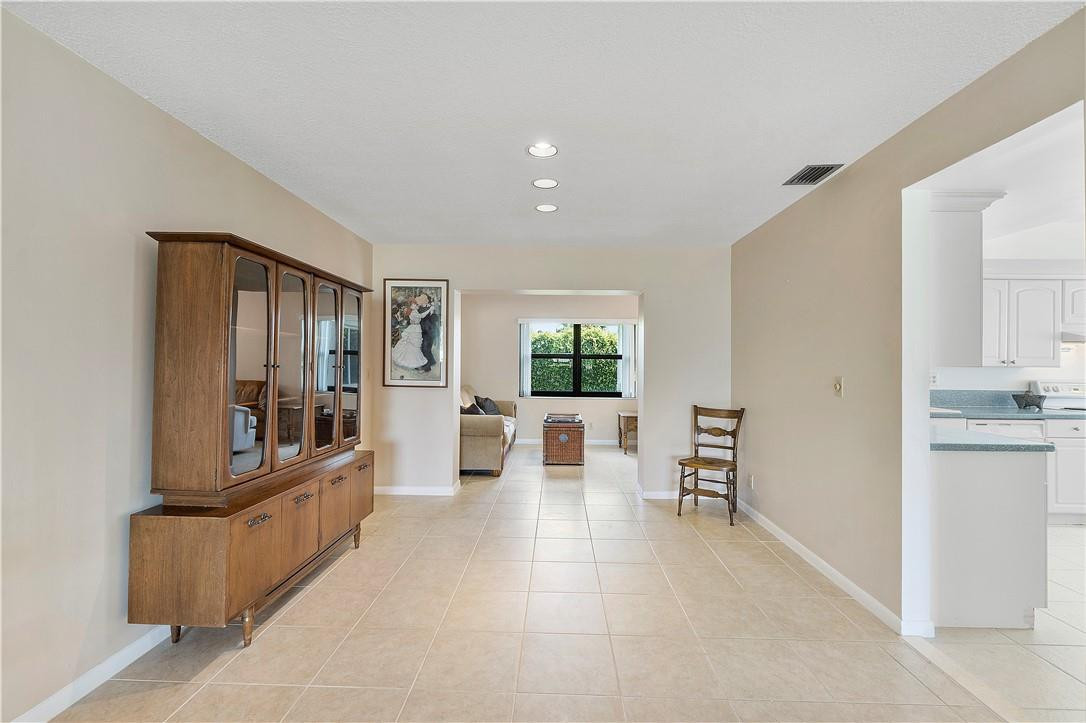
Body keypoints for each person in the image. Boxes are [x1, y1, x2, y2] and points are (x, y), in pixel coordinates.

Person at [390, 296, 434, 370]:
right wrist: (429, 309)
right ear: (410, 305)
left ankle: (416, 361)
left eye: (416, 304)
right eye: (414, 304)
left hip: (416, 329)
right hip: (414, 329)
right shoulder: (413, 312)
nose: (416, 305)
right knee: (414, 346)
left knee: (415, 346)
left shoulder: (415, 311)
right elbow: (421, 316)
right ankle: (415, 362)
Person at [416, 292, 440, 372]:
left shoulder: (430, 308)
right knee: (423, 348)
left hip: (429, 331)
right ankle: (428, 363)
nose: (420, 303)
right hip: (423, 331)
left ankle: (427, 367)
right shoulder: (419, 309)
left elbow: (435, 318)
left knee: (426, 348)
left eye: (423, 300)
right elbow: (420, 317)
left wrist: (432, 313)